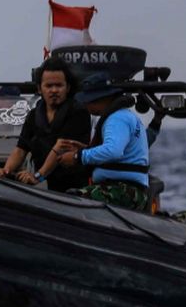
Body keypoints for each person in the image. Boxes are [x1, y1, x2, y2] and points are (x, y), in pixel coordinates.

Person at [54, 71, 150, 211]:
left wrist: (78, 156)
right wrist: (85, 149)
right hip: (128, 190)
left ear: (103, 98)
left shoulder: (116, 119)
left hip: (124, 190)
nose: (86, 106)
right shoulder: (125, 116)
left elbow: (113, 151)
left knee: (71, 200)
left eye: (89, 101)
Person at [0, 57, 92, 191]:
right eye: (49, 86)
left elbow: (61, 147)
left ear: (68, 88)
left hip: (74, 188)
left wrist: (37, 176)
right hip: (48, 186)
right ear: (40, 89)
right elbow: (20, 149)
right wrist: (5, 171)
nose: (54, 90)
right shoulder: (34, 115)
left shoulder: (78, 112)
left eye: (59, 85)